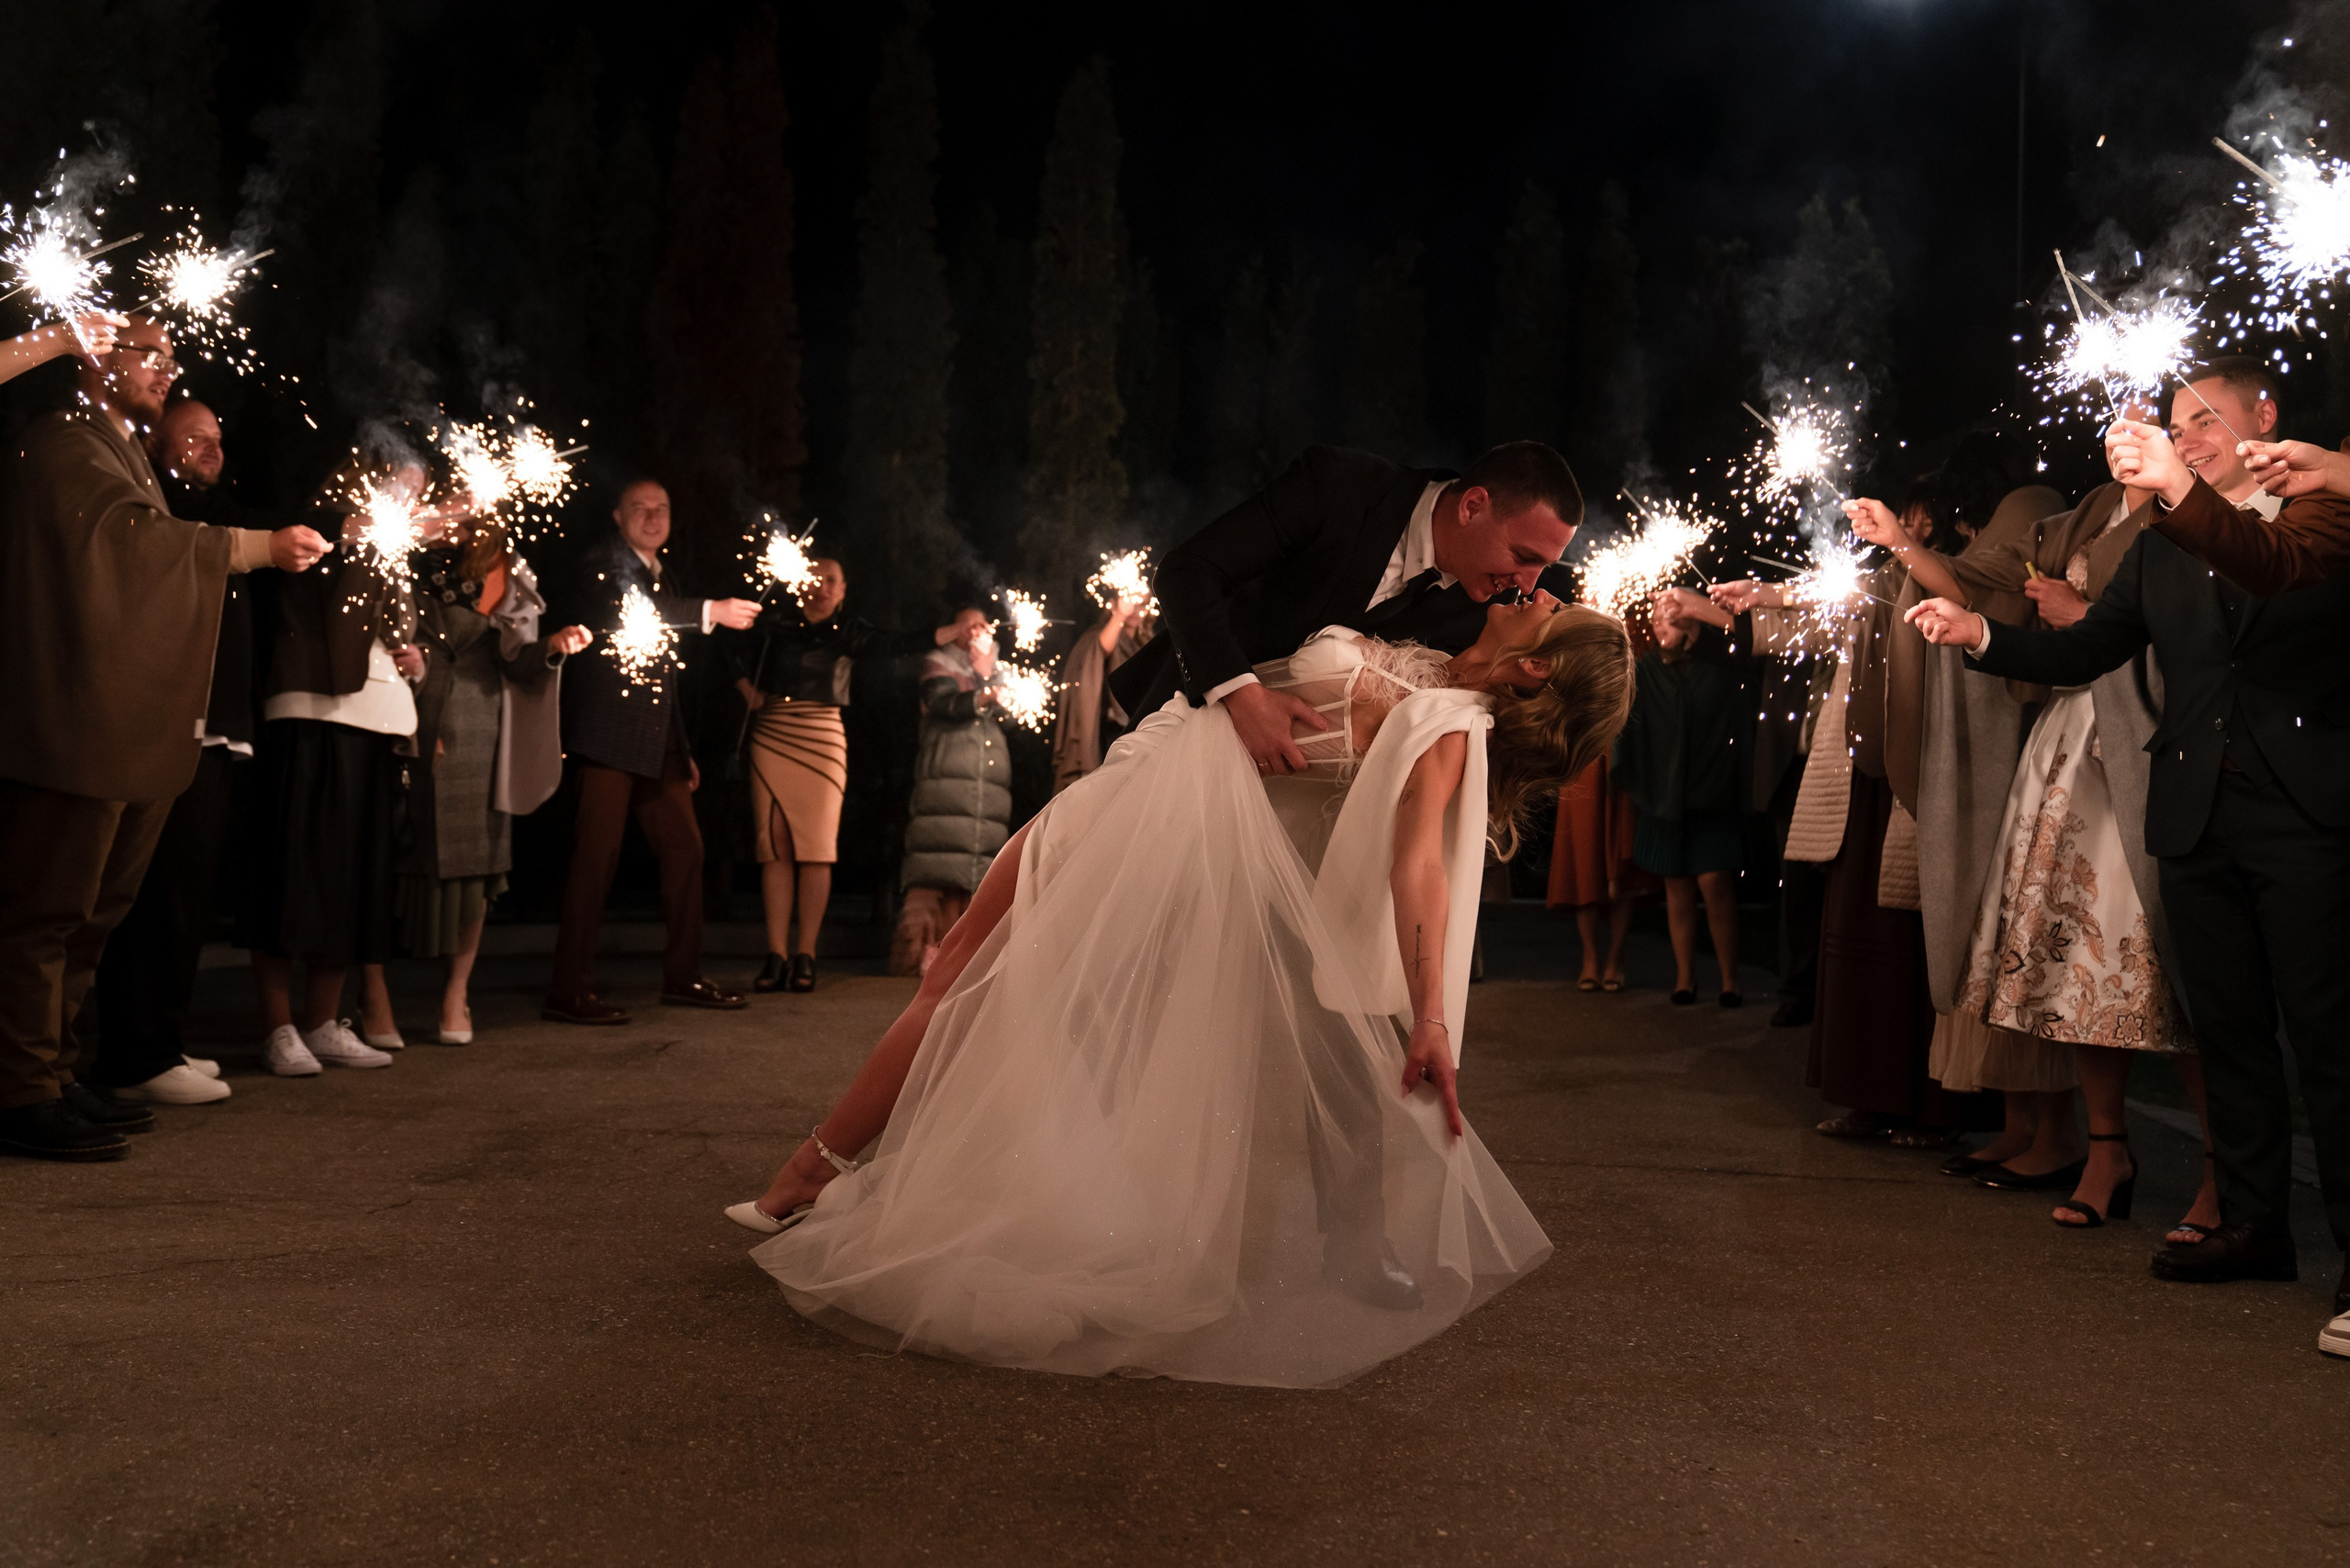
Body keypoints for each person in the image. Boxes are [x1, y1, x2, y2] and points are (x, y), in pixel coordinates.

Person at [727, 594, 1634, 1386]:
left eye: (1552, 608)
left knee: (967, 968)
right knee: (984, 976)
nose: (1538, 591)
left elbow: (1419, 869)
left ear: (1533, 665)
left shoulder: (1450, 722)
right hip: (1147, 785)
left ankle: (811, 1171)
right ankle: (832, 1173)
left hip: (1154, 824)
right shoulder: (1434, 667)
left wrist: (1430, 1013)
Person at [1908, 359, 2350, 1359]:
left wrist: (2182, 490)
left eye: (2206, 420)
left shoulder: (2322, 512)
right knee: (2229, 1032)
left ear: (2264, 417)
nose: (2186, 438)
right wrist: (1979, 633)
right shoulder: (2157, 546)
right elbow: (2084, 652)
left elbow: (2263, 561)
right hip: (2194, 813)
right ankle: (2254, 1226)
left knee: (2329, 1037)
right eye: (2175, 426)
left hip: (2305, 811)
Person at [0, 319, 327, 1160]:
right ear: (95, 355)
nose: (165, 369)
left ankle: (54, 1072)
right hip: (74, 723)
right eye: (148, 353)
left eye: (172, 358)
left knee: (92, 915)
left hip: (118, 722)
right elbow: (128, 544)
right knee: (48, 911)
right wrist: (252, 549)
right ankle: (19, 1089)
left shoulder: (123, 451)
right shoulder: (65, 438)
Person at [1714, 477, 1996, 1149]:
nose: (1904, 529)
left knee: (1918, 949)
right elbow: (1822, 611)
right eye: (1904, 519)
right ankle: (1869, 1097)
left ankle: (1936, 1111)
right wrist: (1751, 599)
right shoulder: (1877, 581)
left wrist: (1771, 594)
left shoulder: (1961, 575)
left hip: (1919, 779)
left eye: (1916, 519)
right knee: (1858, 948)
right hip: (1859, 784)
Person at [1106, 440, 1583, 774]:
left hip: (1285, 808)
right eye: (1523, 557)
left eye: (1544, 567)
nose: (1528, 585)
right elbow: (1187, 572)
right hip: (1177, 733)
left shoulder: (1488, 616)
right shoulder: (1339, 486)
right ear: (1472, 506)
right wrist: (1241, 694)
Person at [239, 446, 446, 1078]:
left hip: (375, 722)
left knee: (352, 879)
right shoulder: (322, 524)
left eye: (417, 492)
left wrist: (414, 659)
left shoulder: (390, 548)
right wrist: (364, 527)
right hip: (309, 714)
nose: (409, 502)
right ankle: (277, 1028)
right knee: (294, 871)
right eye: (401, 486)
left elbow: (391, 630)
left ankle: (323, 1023)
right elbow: (312, 546)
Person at [84, 399, 261, 1105]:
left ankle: (162, 1038)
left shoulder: (212, 510)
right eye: (193, 437)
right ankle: (135, 1055)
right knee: (154, 893)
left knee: (187, 893)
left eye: (218, 437)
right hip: (172, 722)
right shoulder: (164, 507)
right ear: (156, 446)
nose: (211, 447)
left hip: (215, 726)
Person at [544, 478, 760, 1025]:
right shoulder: (605, 564)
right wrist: (711, 610)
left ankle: (684, 975)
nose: (651, 516)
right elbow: (639, 611)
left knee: (686, 850)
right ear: (617, 517)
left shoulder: (666, 575)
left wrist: (681, 748)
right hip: (609, 737)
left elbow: (664, 675)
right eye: (638, 508)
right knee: (595, 860)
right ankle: (568, 990)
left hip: (659, 743)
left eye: (660, 508)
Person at [371, 518, 588, 1043]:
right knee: (386, 857)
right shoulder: (400, 543)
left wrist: (554, 645)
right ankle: (373, 997)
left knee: (478, 866)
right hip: (403, 714)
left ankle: (456, 995)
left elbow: (516, 660)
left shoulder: (504, 567)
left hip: (479, 724)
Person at [733, 556, 964, 992]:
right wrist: (746, 689)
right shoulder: (774, 624)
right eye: (816, 577)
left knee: (816, 846)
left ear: (842, 591)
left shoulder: (848, 631)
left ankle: (806, 954)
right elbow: (730, 652)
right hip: (773, 732)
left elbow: (896, 643)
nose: (822, 586)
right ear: (801, 582)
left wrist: (950, 632)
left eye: (832, 580)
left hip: (823, 736)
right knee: (775, 845)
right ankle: (776, 955)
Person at [1616, 589, 1747, 1004]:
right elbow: (1625, 729)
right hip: (1662, 798)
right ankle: (1685, 979)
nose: (1659, 624)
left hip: (1711, 795)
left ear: (1690, 620)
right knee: (1676, 886)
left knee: (1715, 882)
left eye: (1669, 616)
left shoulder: (1719, 666)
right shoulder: (1644, 671)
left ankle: (1730, 981)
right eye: (1655, 618)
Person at [889, 610, 1013, 977]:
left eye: (983, 624)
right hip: (945, 785)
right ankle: (918, 952)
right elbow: (946, 705)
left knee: (975, 877)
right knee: (938, 868)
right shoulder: (938, 664)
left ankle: (962, 958)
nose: (977, 631)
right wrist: (984, 687)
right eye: (968, 624)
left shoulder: (998, 670)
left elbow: (1010, 717)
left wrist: (988, 673)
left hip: (988, 790)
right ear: (955, 630)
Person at [1051, 591, 1157, 795]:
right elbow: (1100, 649)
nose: (1136, 608)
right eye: (1130, 600)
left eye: (1142, 603)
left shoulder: (1143, 644)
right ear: (1112, 603)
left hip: (1139, 731)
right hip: (1107, 733)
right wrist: (1120, 615)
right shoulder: (1099, 635)